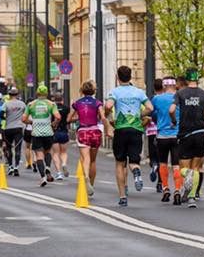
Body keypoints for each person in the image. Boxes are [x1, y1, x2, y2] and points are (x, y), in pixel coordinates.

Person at [170, 69, 204, 208]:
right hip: (201, 133)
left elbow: (171, 110)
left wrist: (174, 121)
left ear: (186, 79)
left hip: (185, 133)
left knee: (183, 169)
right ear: (198, 79)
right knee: (196, 167)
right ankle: (191, 197)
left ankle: (188, 178)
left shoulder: (180, 93)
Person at [105, 66, 153, 206]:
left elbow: (108, 105)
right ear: (130, 77)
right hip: (136, 130)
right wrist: (139, 115)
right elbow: (150, 108)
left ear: (118, 78)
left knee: (120, 163)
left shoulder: (114, 92)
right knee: (133, 162)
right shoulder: (139, 92)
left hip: (121, 130)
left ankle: (122, 197)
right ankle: (136, 172)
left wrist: (109, 115)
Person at [69, 81, 104, 197]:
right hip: (95, 131)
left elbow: (69, 119)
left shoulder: (77, 103)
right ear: (93, 91)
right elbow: (101, 117)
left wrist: (78, 118)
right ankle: (91, 185)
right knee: (93, 161)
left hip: (83, 131)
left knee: (85, 158)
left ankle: (86, 178)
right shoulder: (97, 103)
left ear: (82, 91)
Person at [23, 85, 61, 187]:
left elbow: (23, 119)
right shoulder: (51, 104)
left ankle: (43, 177)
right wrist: (54, 123)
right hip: (48, 132)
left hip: (36, 133)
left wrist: (31, 122)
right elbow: (58, 117)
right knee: (48, 151)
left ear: (37, 93)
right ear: (47, 93)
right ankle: (48, 167)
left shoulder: (31, 105)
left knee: (39, 155)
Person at [152, 77, 181, 204]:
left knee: (162, 163)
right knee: (176, 165)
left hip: (162, 135)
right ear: (175, 86)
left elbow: (152, 114)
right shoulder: (179, 98)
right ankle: (178, 190)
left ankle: (165, 188)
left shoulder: (157, 99)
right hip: (176, 135)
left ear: (164, 86)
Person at [1, 90, 26, 176]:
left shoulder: (6, 104)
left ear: (9, 95)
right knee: (17, 148)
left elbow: (1, 115)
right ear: (17, 94)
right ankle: (16, 167)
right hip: (19, 127)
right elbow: (25, 114)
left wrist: (7, 118)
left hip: (8, 128)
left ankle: (10, 166)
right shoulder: (22, 104)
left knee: (8, 147)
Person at [52, 93, 71, 177]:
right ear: (62, 99)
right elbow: (68, 119)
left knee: (55, 153)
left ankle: (59, 173)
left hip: (54, 132)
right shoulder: (66, 108)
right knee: (63, 152)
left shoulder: (52, 108)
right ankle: (64, 163)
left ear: (54, 100)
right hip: (64, 131)